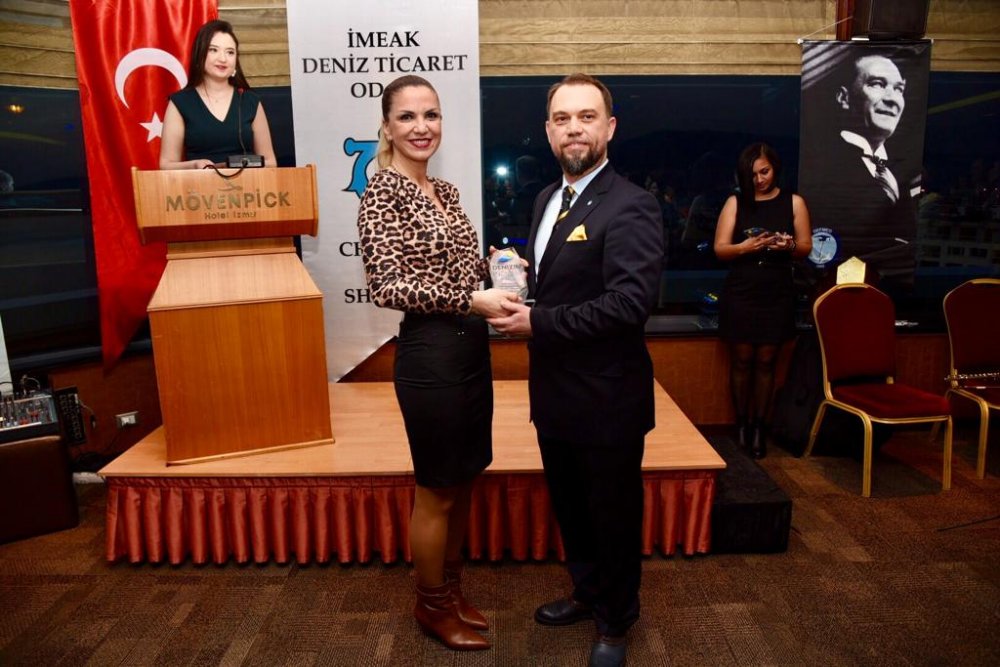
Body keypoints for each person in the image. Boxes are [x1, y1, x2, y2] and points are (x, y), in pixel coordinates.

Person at [488, 73, 663, 667]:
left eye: (587, 117)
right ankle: (587, 594)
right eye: (562, 119)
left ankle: (616, 621)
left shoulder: (632, 204)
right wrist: (519, 278)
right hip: (556, 394)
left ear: (609, 127)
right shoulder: (545, 199)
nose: (574, 129)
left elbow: (628, 305)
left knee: (612, 517)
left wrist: (536, 321)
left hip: (608, 399)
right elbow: (564, 283)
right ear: (547, 131)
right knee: (572, 507)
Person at [356, 74, 512, 652]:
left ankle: (452, 590)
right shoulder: (382, 192)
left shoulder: (444, 190)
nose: (422, 127)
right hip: (430, 358)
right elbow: (387, 285)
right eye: (408, 117)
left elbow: (460, 270)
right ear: (387, 127)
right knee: (437, 488)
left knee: (464, 480)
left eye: (431, 115)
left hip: (470, 350)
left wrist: (497, 267)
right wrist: (470, 299)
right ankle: (431, 606)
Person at [713, 143, 812, 458]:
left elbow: (806, 248)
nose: (759, 180)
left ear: (775, 168)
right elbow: (720, 249)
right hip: (742, 290)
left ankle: (759, 427)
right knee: (742, 360)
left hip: (777, 290)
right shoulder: (735, 202)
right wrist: (745, 247)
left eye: (764, 172)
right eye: (752, 174)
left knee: (767, 361)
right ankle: (741, 424)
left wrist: (788, 246)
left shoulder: (794, 202)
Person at [801, 53, 916, 284]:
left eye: (899, 89)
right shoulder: (823, 166)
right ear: (844, 97)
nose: (892, 99)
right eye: (877, 84)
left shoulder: (902, 173)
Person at [159, 20, 276, 170]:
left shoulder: (250, 100)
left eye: (230, 52)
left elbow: (270, 162)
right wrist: (195, 165)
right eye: (214, 50)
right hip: (198, 183)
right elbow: (166, 165)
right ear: (200, 54)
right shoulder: (180, 102)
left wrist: (242, 167)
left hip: (249, 184)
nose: (223, 58)